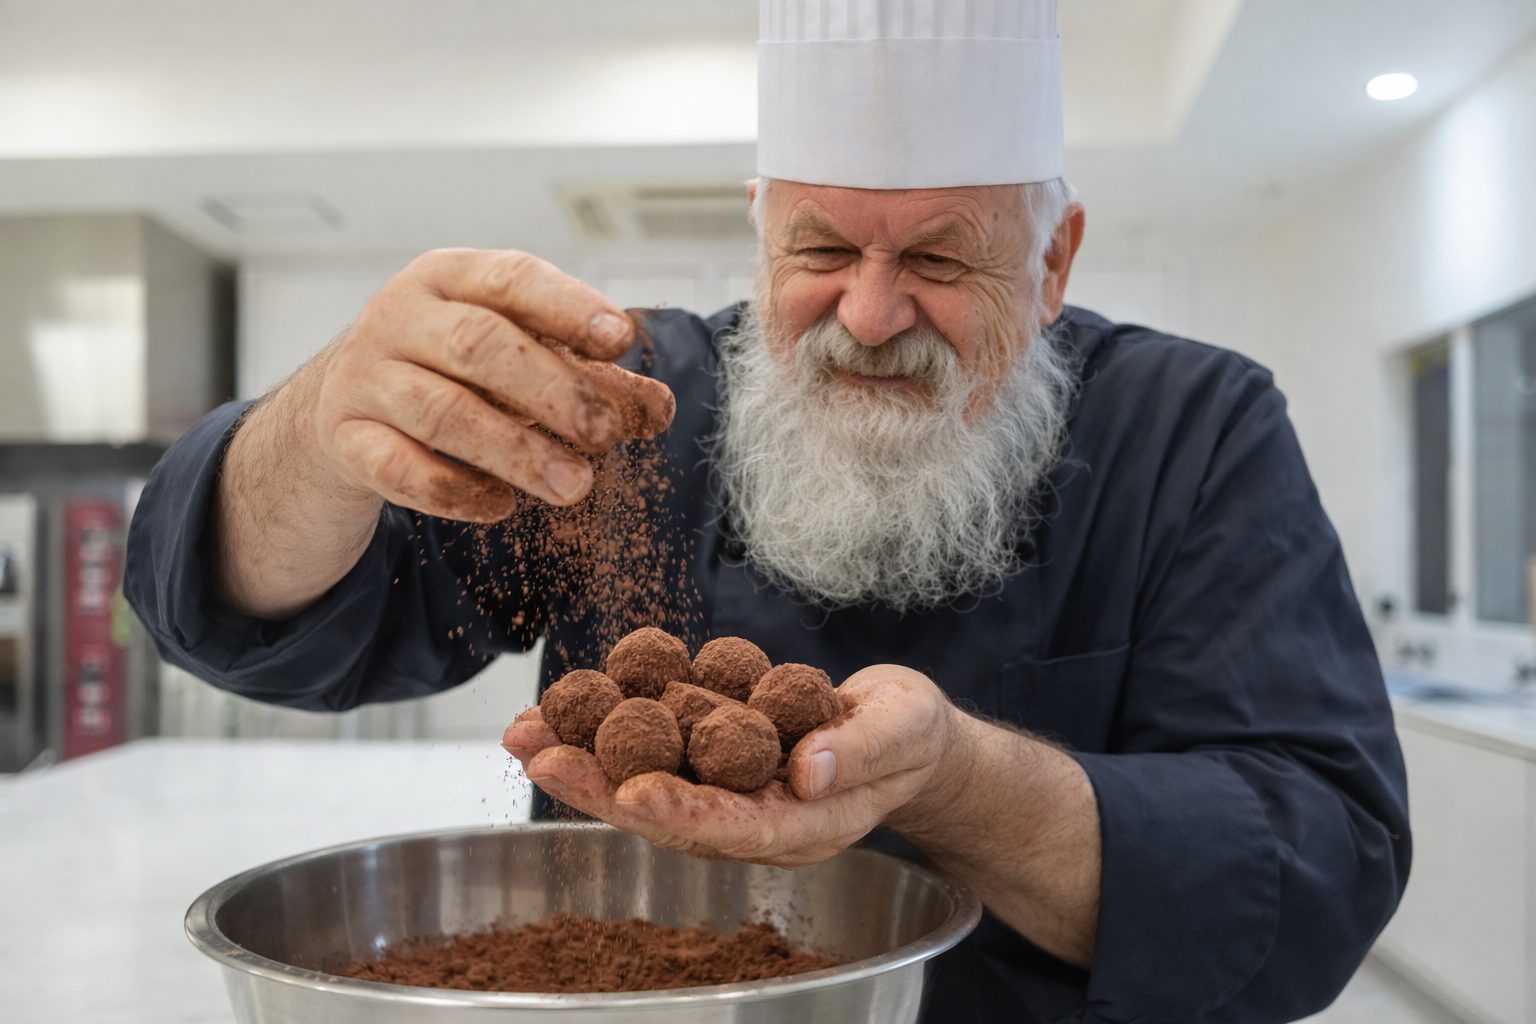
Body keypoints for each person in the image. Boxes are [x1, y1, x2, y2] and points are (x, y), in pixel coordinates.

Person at [124, 2, 1410, 1021]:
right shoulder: (634, 406)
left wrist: (960, 779)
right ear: (760, 230)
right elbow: (260, 619)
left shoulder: (1195, 432)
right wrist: (322, 430)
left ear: (1056, 257)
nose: (869, 314)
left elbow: (1316, 868)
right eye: (821, 251)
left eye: (942, 260)